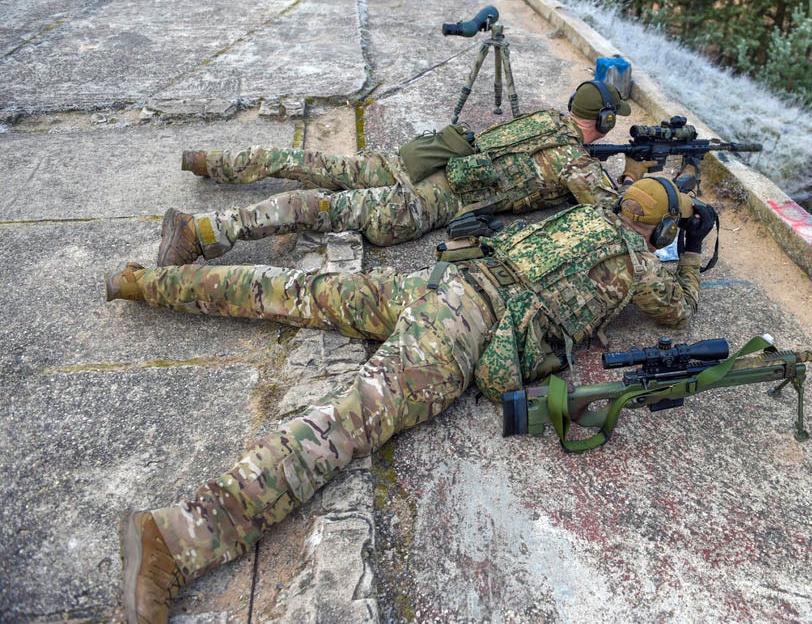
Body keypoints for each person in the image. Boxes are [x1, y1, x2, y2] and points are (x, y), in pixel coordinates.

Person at [108, 176, 714, 624]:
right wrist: (689, 255)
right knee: (345, 424)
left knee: (299, 292)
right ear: (655, 230)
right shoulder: (636, 261)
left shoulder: (578, 216)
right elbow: (680, 310)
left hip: (442, 283)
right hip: (462, 328)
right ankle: (175, 538)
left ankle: (148, 282)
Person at [157, 81, 658, 267]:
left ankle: (207, 160)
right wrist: (637, 175)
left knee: (312, 166)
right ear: (605, 122)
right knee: (324, 208)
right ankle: (202, 232)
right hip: (432, 198)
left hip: (420, 158)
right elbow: (620, 215)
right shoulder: (575, 161)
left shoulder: (546, 119)